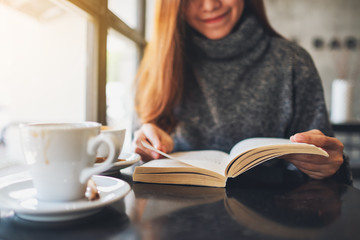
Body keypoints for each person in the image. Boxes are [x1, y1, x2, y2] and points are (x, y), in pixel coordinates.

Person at [133, 0, 352, 184]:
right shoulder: (158, 64)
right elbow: (136, 159)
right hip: (173, 219)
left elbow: (328, 170)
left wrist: (330, 166)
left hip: (274, 220)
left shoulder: (293, 62)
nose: (210, 5)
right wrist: (147, 146)